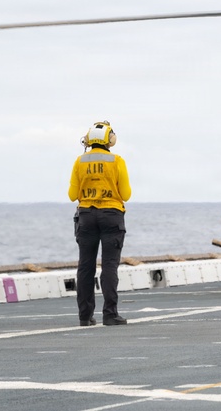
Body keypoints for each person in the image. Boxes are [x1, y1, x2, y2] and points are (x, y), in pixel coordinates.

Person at [68, 121, 132, 326]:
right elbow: (126, 194)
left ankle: (85, 316)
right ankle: (110, 314)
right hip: (112, 215)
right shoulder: (117, 161)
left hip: (86, 216)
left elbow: (72, 195)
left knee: (85, 266)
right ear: (109, 139)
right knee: (109, 265)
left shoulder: (80, 161)